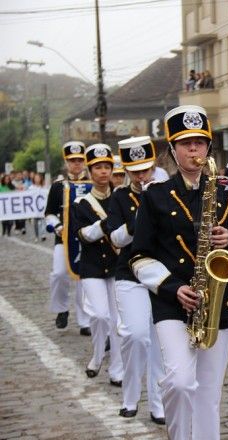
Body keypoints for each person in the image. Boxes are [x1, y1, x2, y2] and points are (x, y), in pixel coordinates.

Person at [130, 105, 228, 440]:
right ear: (173, 150)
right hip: (174, 302)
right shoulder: (155, 195)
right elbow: (138, 256)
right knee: (181, 382)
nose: (194, 150)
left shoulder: (227, 194)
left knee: (208, 395)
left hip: (217, 302)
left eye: (200, 143)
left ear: (209, 148)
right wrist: (171, 289)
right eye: (185, 143)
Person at [107, 136, 165, 424]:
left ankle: (158, 405)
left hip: (163, 276)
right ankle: (130, 397)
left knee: (160, 342)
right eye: (136, 171)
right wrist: (142, 213)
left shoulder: (166, 192)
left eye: (146, 169)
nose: (142, 176)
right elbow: (116, 238)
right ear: (127, 171)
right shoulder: (119, 197)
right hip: (130, 273)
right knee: (136, 336)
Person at [72, 143, 124, 386]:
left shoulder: (120, 199)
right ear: (90, 171)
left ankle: (117, 369)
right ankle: (96, 355)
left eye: (107, 167)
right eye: (98, 167)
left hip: (116, 266)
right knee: (101, 316)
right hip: (92, 268)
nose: (103, 172)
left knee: (117, 321)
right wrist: (104, 225)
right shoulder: (82, 203)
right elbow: (83, 235)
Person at [43, 141, 91, 335]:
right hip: (63, 240)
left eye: (80, 160)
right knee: (59, 274)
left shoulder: (91, 184)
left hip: (87, 239)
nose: (76, 164)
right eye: (72, 161)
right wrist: (57, 226)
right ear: (66, 162)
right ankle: (61, 309)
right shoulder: (58, 186)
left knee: (85, 279)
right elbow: (49, 213)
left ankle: (85, 320)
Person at [30, 173, 47, 242]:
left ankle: (43, 234)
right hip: (34, 208)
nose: (37, 179)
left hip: (42, 208)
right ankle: (36, 236)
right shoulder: (31, 187)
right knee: (35, 223)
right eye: (35, 178)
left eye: (38, 178)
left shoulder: (44, 187)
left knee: (43, 221)